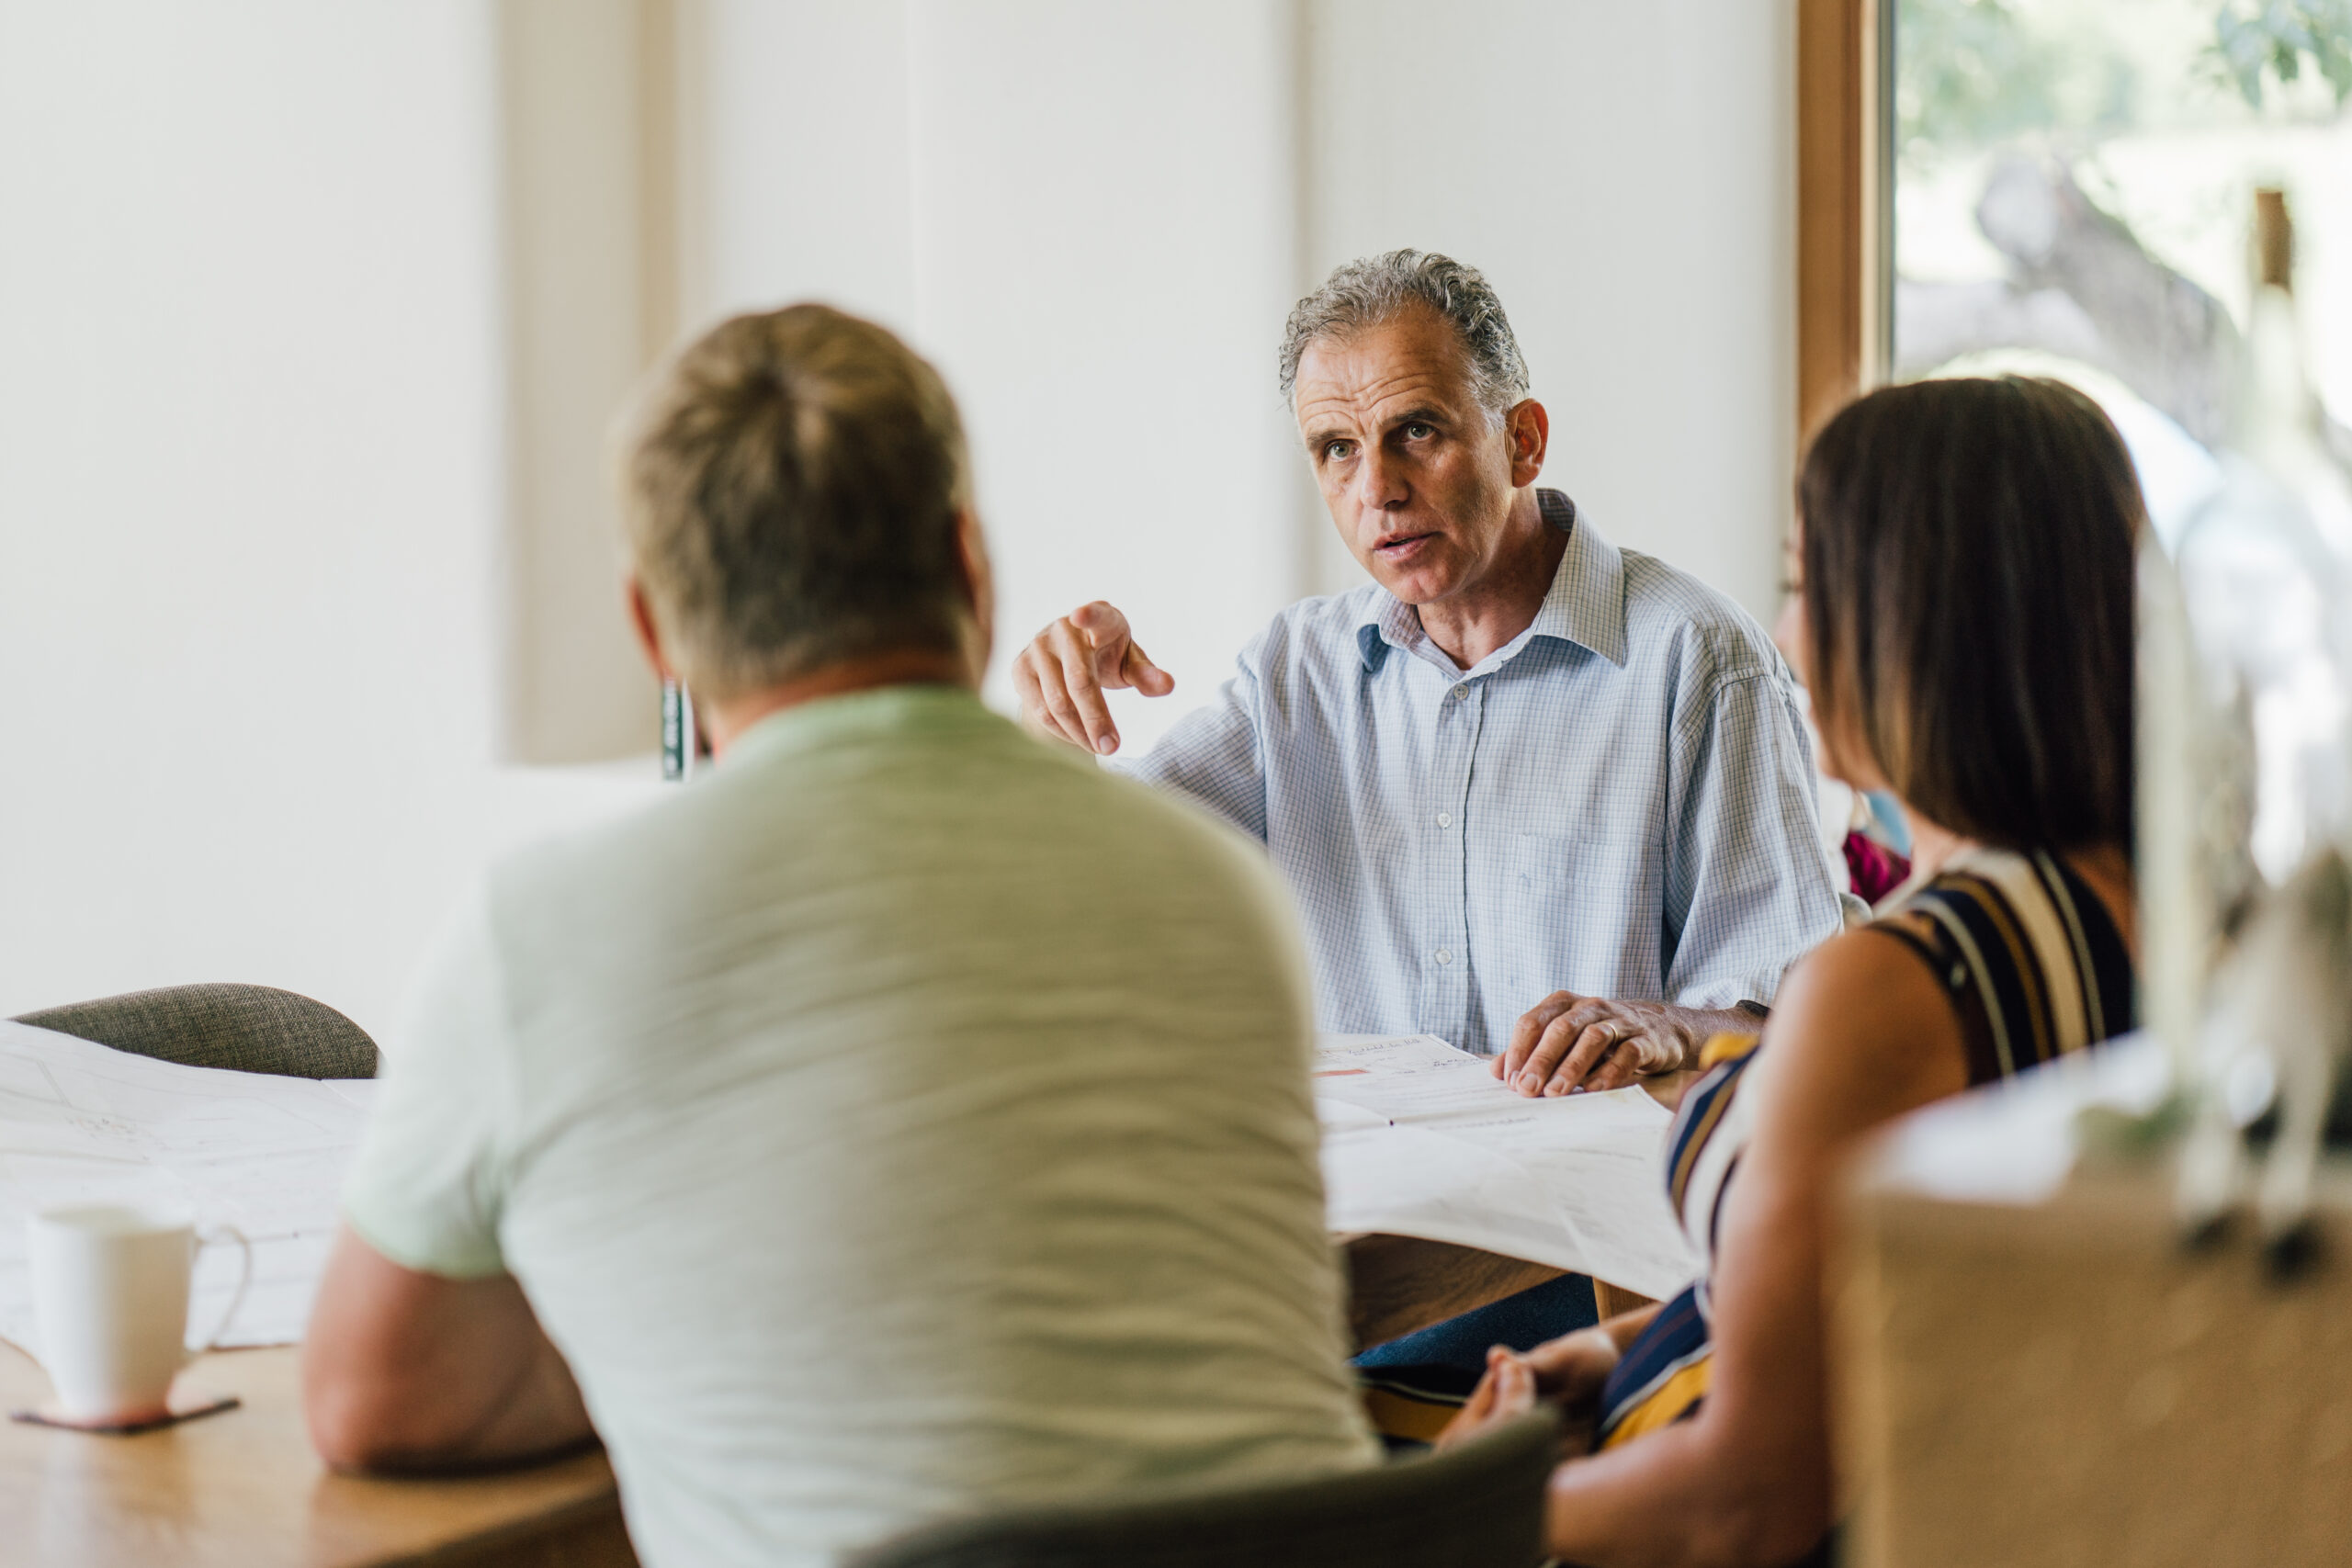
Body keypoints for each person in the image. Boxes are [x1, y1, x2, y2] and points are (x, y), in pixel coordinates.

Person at [301, 304, 1379, 1567]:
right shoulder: (1223, 889)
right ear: (972, 569)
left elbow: (371, 1399)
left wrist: (673, 1337)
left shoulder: (535, 933)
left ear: (655, 632)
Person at [1436, 375, 2143, 1567]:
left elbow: (1743, 1502)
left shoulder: (1899, 980)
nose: (1791, 632)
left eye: (1808, 583)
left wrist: (1449, 1514)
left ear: (1917, 617)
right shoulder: (2123, 907)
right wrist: (1617, 1350)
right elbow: (1901, 1304)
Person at [1014, 251, 1846, 1098]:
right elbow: (1085, 882)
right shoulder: (1297, 673)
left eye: (1416, 430)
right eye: (1338, 448)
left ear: (1522, 442)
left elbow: (1801, 1022)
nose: (1378, 488)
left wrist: (1666, 1025)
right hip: (1364, 1208)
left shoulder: (1698, 660)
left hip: (1590, 1215)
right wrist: (1055, 726)